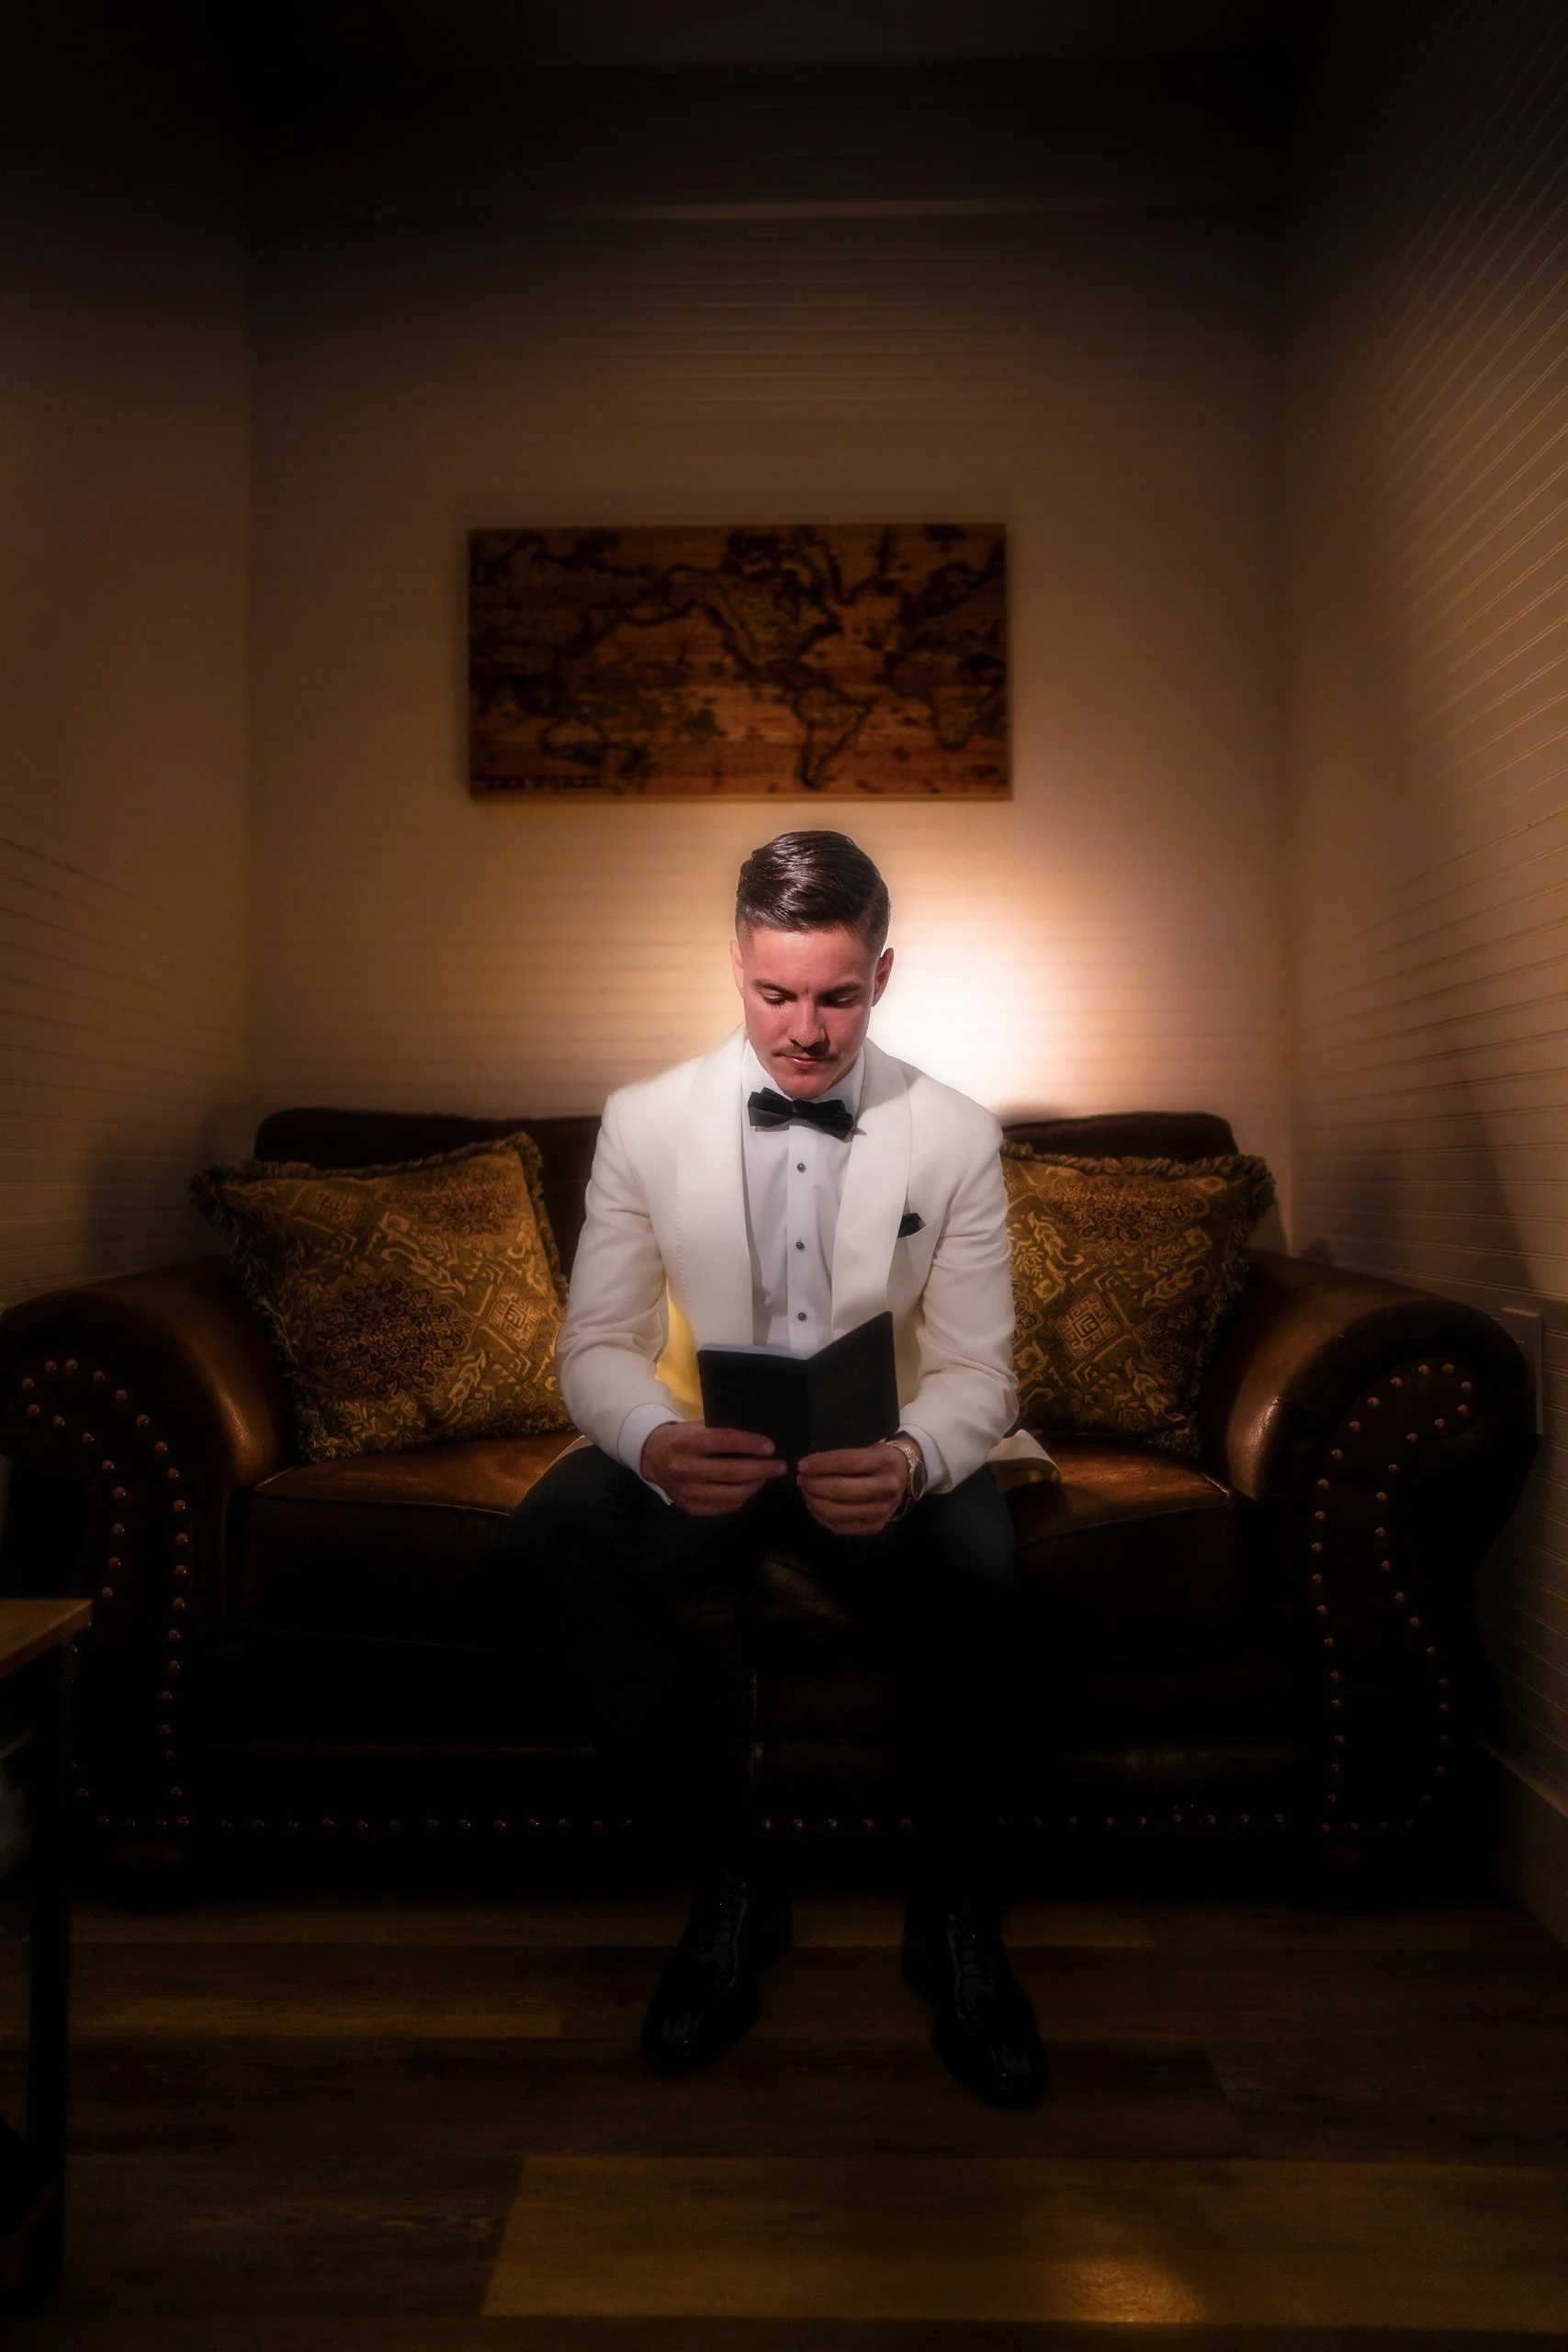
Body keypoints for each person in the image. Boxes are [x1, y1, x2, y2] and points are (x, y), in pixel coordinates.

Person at [502, 830, 1046, 2109]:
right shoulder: (642, 1122)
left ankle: (958, 1923)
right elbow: (596, 1346)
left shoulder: (956, 1134)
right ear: (734, 968)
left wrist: (914, 1460)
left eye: (837, 995)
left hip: (886, 1448)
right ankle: (737, 1882)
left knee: (989, 1583)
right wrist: (652, 1441)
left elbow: (982, 1372)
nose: (803, 1031)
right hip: (708, 1448)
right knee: (543, 1555)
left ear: (884, 974)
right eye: (774, 993)